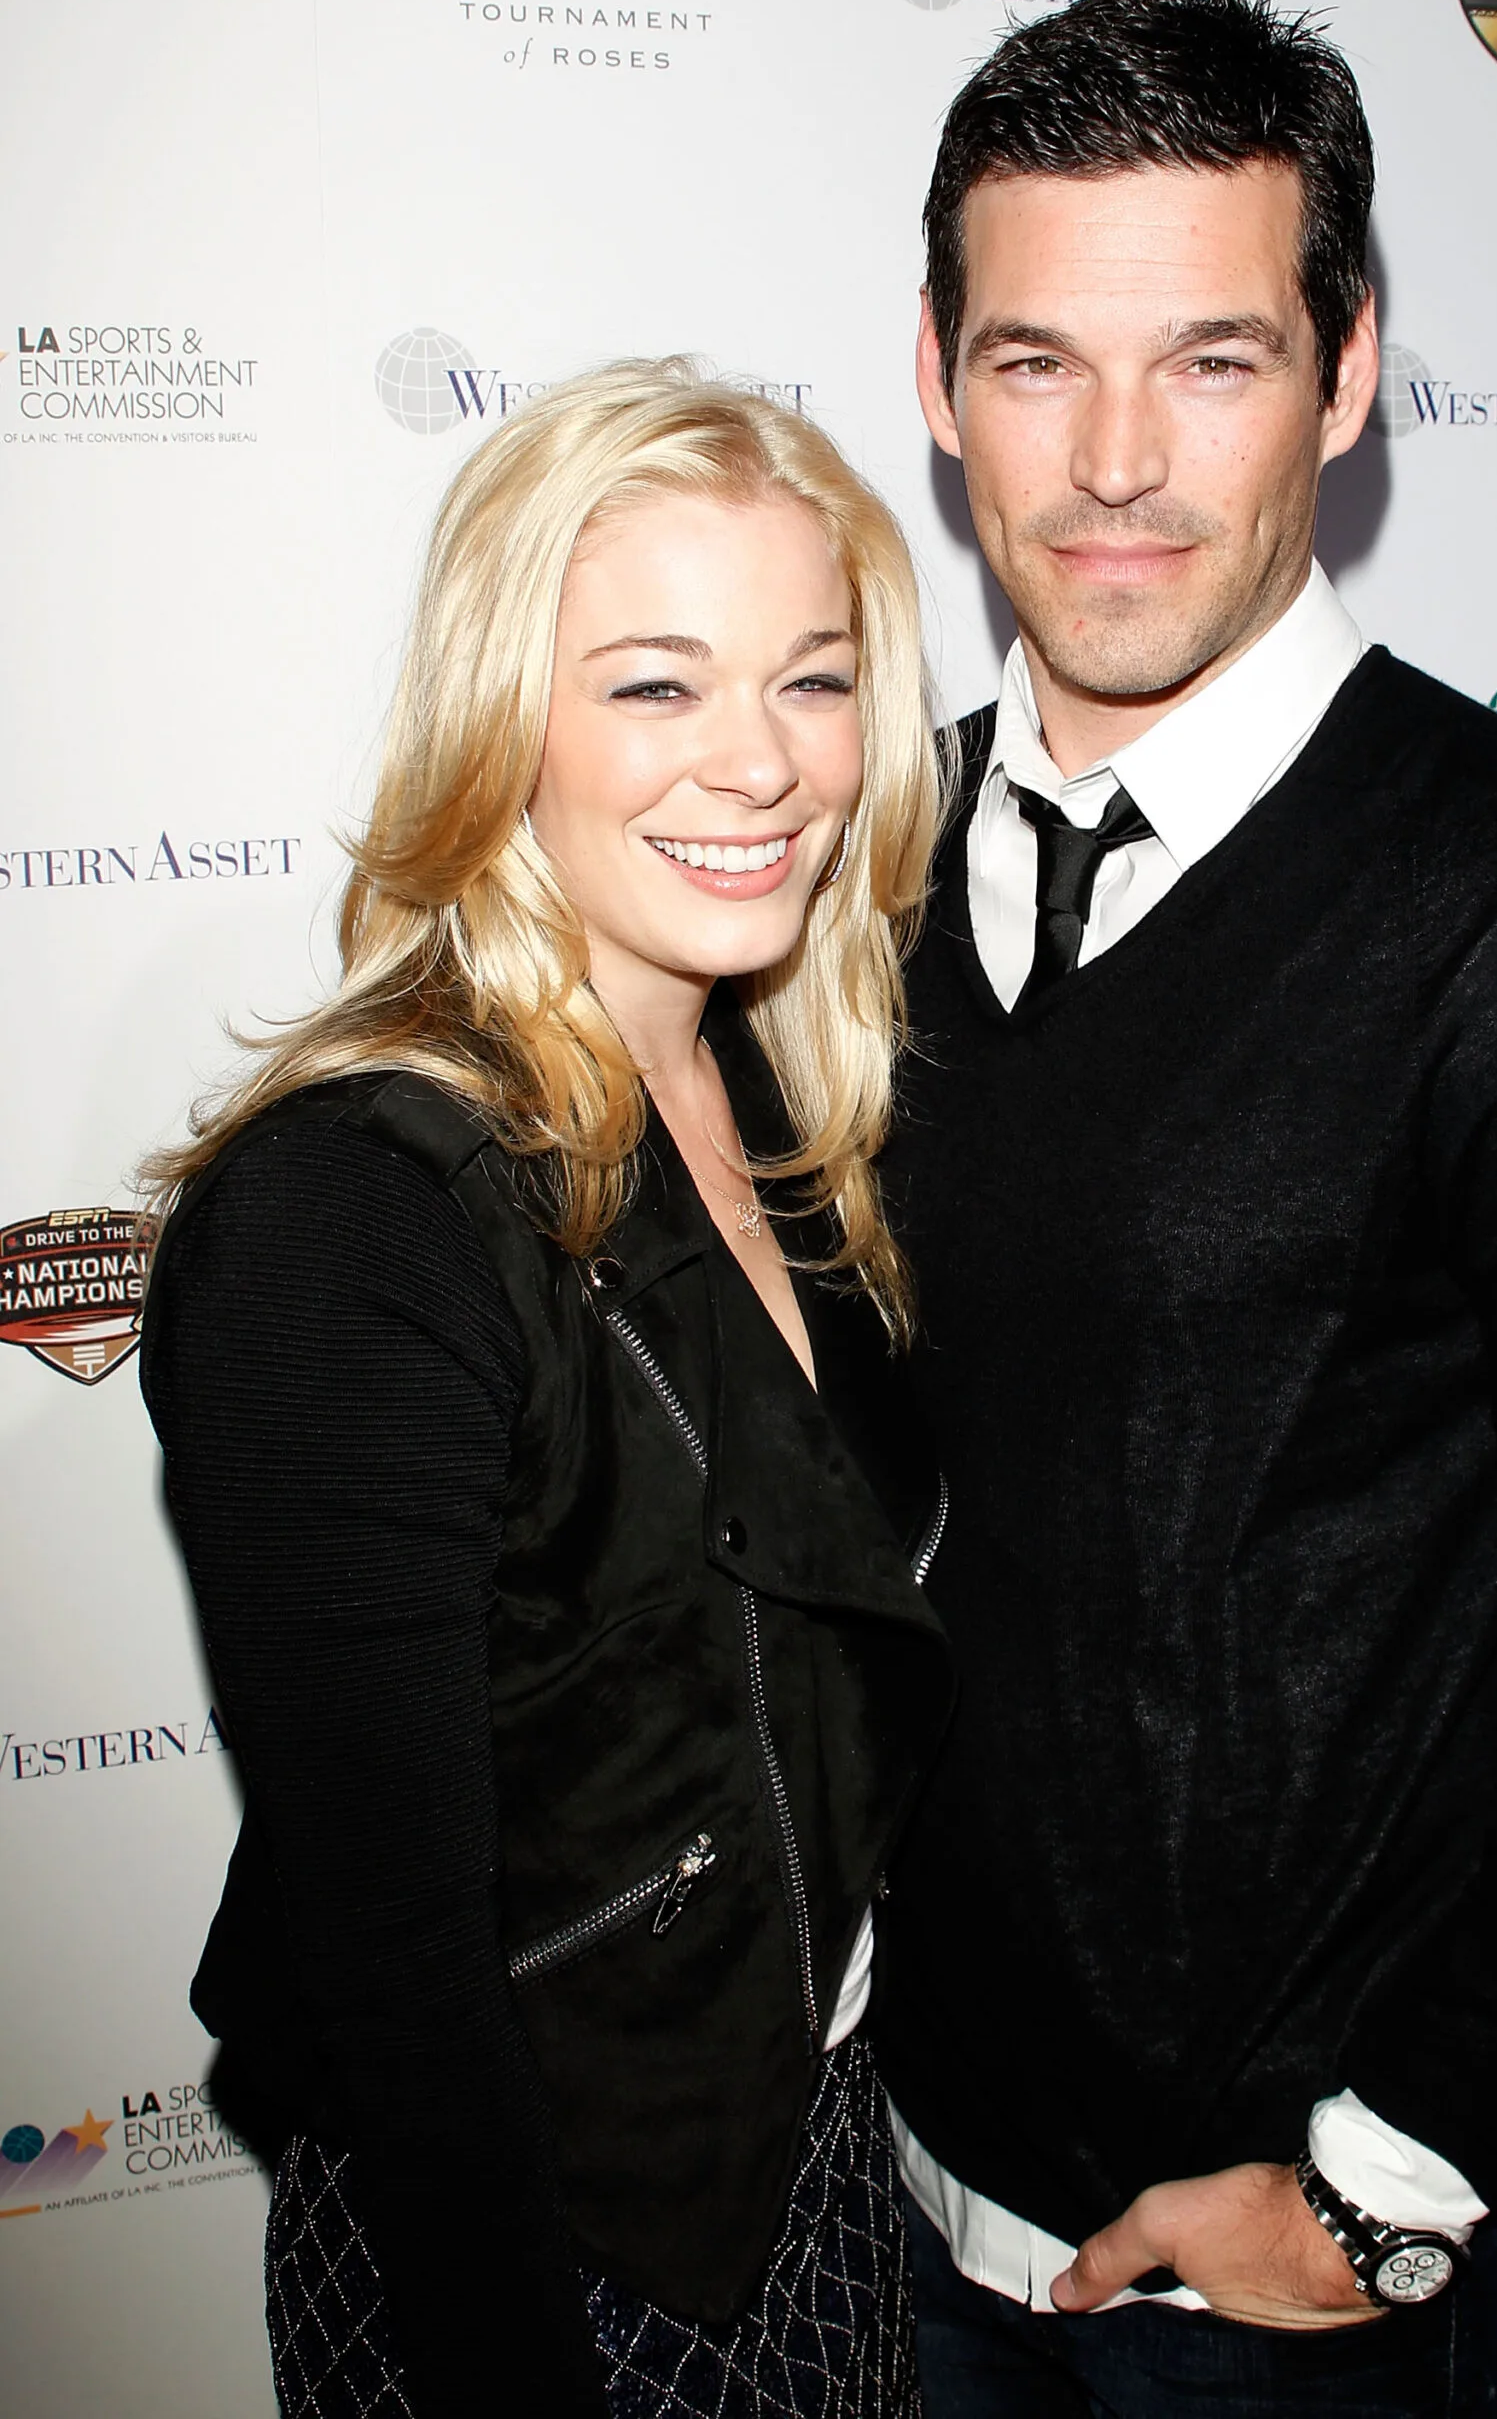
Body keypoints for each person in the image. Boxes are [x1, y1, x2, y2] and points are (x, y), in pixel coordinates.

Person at [870, 0, 1497, 2418]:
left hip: (1302, 2289)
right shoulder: (849, 875)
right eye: (1034, 361)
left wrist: (1380, 2181)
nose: (1113, 458)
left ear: (1347, 372)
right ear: (931, 377)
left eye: (1207, 357)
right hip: (908, 2211)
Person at [139, 360, 953, 2419]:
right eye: (656, 687)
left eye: (815, 678)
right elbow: (395, 1958)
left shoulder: (790, 1099)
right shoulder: (359, 1204)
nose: (759, 763)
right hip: (527, 2248)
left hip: (814, 2162)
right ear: (508, 718)